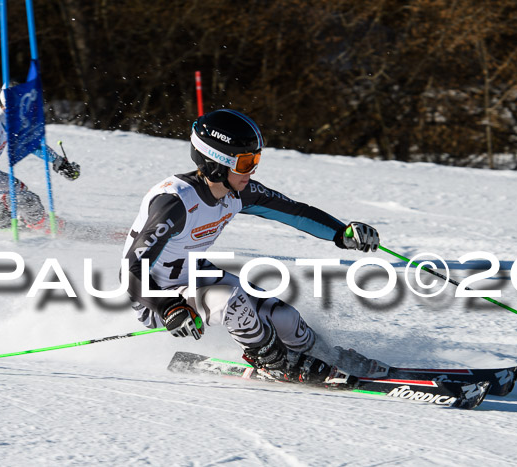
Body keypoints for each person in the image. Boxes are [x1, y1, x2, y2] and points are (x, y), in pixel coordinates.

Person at [122, 109, 387, 383]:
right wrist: (169, 308)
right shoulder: (175, 204)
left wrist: (341, 233)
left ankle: (327, 356)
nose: (252, 171)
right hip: (155, 299)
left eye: (255, 161)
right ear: (216, 163)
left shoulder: (237, 192)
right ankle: (273, 362)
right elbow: (130, 270)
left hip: (195, 275)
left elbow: (294, 212)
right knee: (232, 302)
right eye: (245, 163)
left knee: (285, 317)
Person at [0, 90, 81, 229]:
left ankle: (29, 218)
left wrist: (59, 162)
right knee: (26, 201)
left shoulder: (1, 119)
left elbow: (29, 144)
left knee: (17, 187)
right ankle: (40, 226)